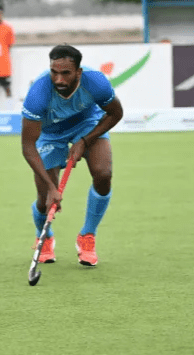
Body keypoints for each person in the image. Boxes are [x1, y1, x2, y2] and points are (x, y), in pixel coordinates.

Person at [21, 44, 123, 267]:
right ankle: (44, 237)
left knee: (103, 174)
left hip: (87, 125)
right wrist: (51, 188)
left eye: (65, 73)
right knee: (44, 200)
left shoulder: (95, 82)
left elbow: (116, 113)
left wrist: (85, 141)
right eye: (54, 72)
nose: (58, 79)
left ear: (78, 72)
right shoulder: (38, 93)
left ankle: (87, 235)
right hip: (50, 134)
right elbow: (28, 146)